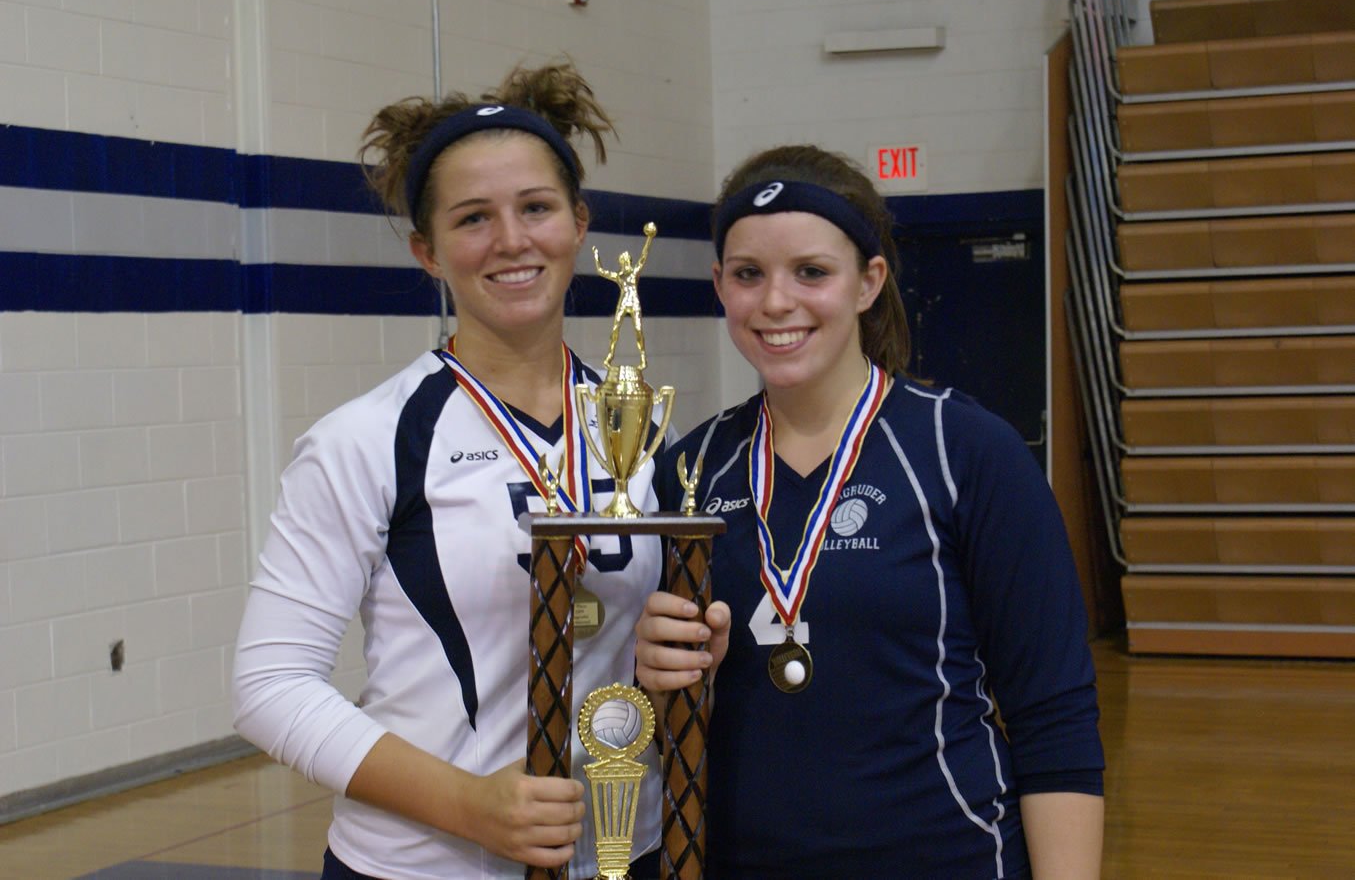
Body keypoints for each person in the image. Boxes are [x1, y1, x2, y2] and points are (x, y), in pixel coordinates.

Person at [233, 62, 665, 880]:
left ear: (578, 223)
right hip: (425, 862)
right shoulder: (365, 439)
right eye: (473, 218)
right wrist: (469, 804)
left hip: (618, 851)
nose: (511, 239)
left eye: (535, 208)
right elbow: (269, 685)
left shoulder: (639, 425)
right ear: (427, 252)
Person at [636, 145, 1105, 878]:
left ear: (868, 282)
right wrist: (659, 678)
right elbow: (661, 726)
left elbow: (1054, 715)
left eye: (811, 272)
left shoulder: (967, 449)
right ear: (719, 284)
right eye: (748, 273)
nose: (775, 301)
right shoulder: (688, 470)